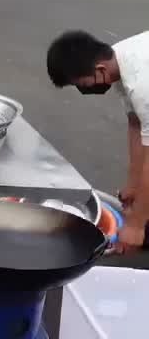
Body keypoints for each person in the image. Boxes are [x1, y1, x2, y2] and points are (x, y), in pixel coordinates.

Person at [46, 30, 149, 254]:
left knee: (139, 222)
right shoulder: (120, 61)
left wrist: (135, 224)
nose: (83, 89)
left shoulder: (142, 84)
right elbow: (136, 124)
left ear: (99, 69)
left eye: (82, 83)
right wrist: (133, 184)